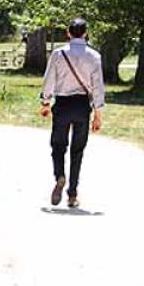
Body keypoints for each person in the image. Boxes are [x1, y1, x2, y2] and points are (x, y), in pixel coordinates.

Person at [39, 19, 106, 209]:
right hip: (82, 105)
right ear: (85, 33)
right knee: (78, 150)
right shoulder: (94, 56)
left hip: (63, 103)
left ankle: (60, 175)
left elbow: (49, 79)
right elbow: (98, 86)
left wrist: (45, 101)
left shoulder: (59, 54)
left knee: (58, 145)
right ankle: (73, 193)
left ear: (68, 33)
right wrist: (98, 114)